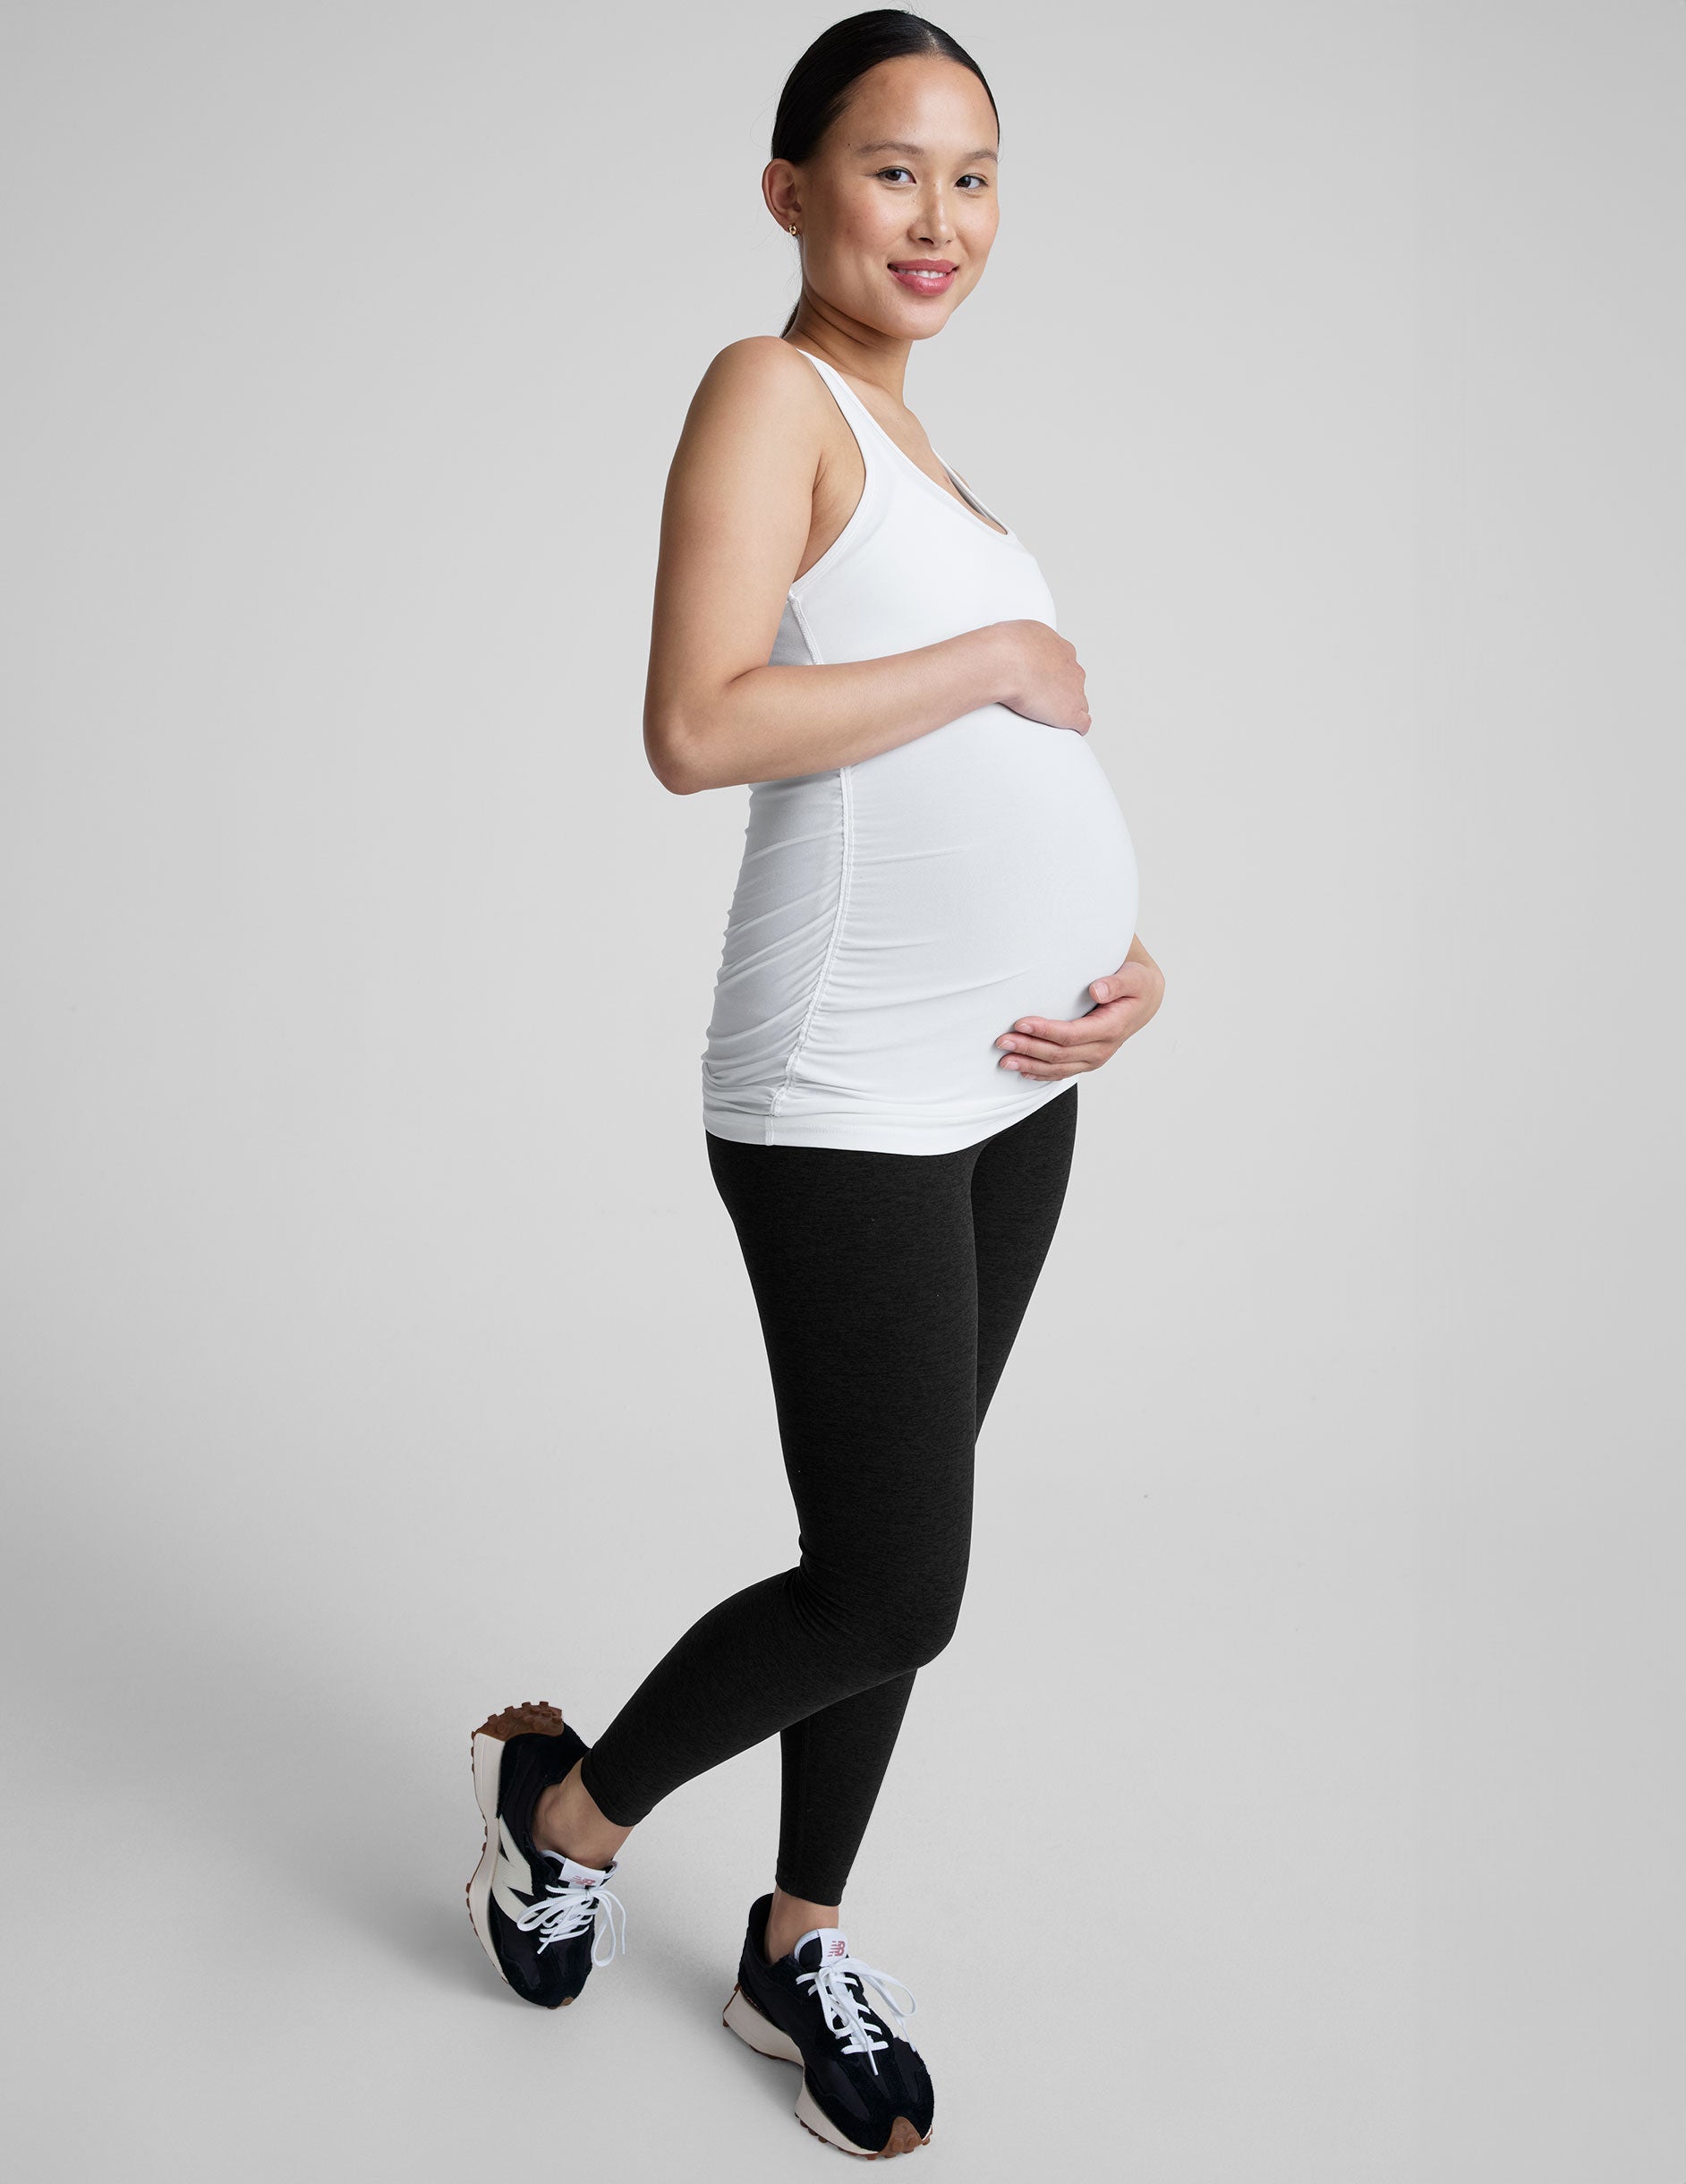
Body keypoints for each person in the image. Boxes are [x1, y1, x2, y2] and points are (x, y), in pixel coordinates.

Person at [464, 10, 1164, 2159]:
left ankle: (798, 1937)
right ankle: (558, 1810)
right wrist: (996, 661)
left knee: (892, 1532)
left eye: (974, 174)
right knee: (897, 1577)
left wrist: (1123, 955)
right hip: (842, 1078)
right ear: (789, 192)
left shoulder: (928, 445)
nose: (940, 217)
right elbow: (701, 721)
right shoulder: (768, 390)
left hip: (1013, 1080)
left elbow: (999, 772)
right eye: (892, 169)